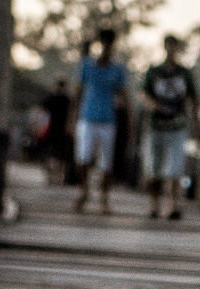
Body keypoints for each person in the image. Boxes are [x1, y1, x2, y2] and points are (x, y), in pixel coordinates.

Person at [141, 34, 200, 220]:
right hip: (156, 126)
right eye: (169, 46)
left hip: (177, 126)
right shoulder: (154, 72)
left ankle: (172, 206)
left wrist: (199, 127)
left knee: (174, 170)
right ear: (165, 47)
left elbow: (193, 100)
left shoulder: (185, 73)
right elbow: (143, 94)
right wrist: (152, 105)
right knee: (154, 169)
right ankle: (154, 205)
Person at [73, 28, 128, 214]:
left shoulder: (118, 69)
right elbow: (77, 92)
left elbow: (123, 96)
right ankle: (84, 190)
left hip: (108, 121)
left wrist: (129, 120)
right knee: (83, 159)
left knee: (106, 163)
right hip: (87, 117)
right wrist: (70, 119)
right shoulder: (87, 65)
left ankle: (104, 199)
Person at [40, 79, 71, 184]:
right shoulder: (54, 99)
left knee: (57, 156)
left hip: (58, 130)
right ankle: (53, 177)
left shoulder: (62, 99)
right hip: (54, 130)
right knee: (55, 156)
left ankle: (54, 178)